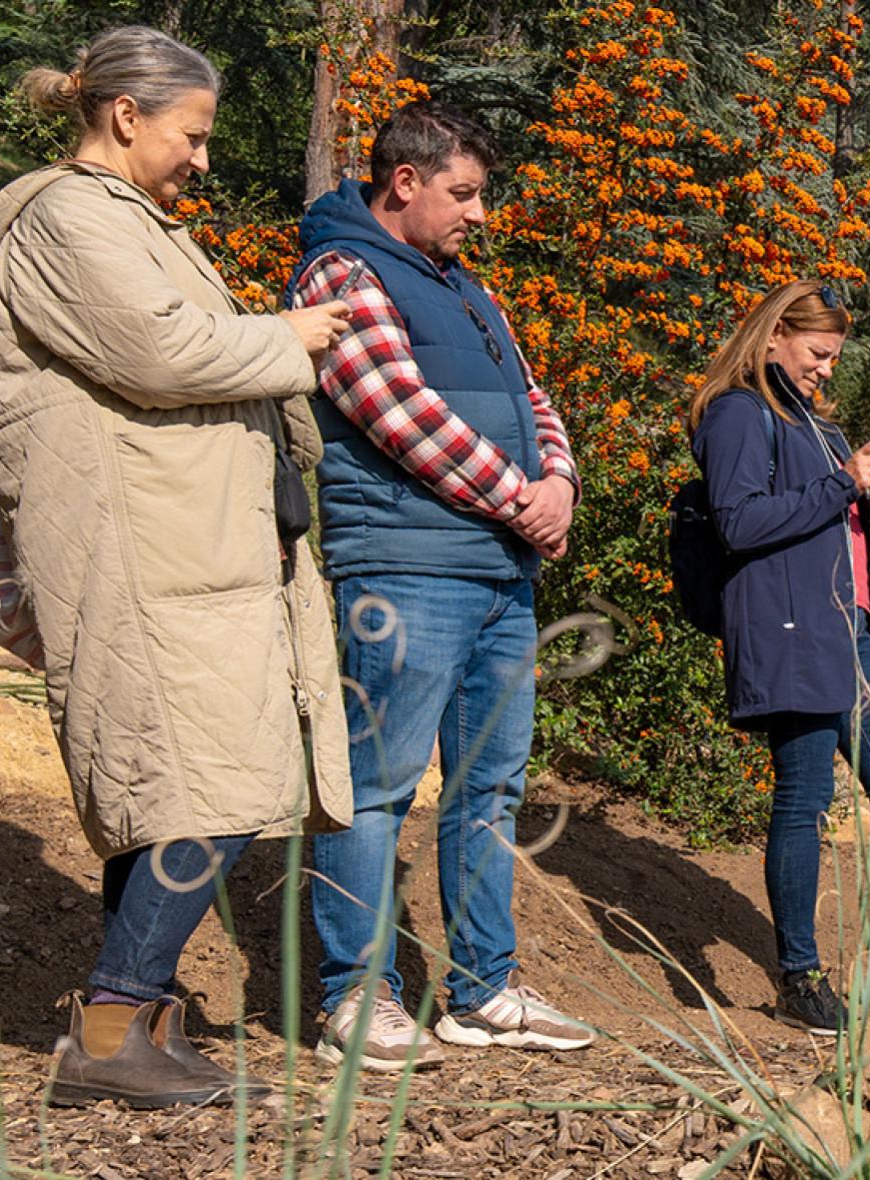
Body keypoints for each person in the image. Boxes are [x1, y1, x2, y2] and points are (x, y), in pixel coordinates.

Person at [0, 25, 356, 1106]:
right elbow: (161, 352)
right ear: (127, 117)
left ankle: (135, 1020)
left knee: (180, 785)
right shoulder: (72, 218)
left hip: (185, 549)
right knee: (209, 783)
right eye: (194, 134)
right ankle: (116, 1024)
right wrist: (295, 335)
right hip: (140, 555)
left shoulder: (123, 220)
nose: (204, 159)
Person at [289, 100, 592, 1069]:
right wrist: (524, 500)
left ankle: (482, 988)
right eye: (463, 193)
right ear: (404, 182)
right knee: (374, 788)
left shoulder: (464, 288)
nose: (479, 213)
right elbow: (395, 411)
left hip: (498, 574)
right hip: (407, 573)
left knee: (489, 789)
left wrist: (562, 483)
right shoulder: (347, 269)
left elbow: (531, 398)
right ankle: (353, 996)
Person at [687, 280, 870, 1036]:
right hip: (792, 634)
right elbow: (738, 522)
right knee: (803, 800)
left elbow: (836, 535)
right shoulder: (737, 413)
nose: (827, 370)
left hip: (848, 631)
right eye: (818, 354)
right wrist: (841, 482)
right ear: (772, 338)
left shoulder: (815, 427)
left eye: (833, 358)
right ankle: (799, 977)